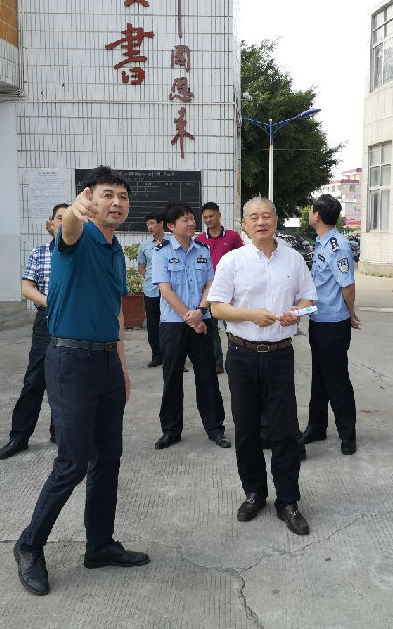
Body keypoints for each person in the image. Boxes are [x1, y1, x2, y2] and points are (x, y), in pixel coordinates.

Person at [13, 166, 148, 596]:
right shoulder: (78, 234)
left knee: (108, 458)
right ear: (89, 197)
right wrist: (74, 211)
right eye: (108, 195)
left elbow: (114, 312)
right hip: (70, 359)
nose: (117, 203)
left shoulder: (115, 248)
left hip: (106, 361)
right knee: (72, 462)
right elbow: (68, 230)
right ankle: (29, 545)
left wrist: (122, 366)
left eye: (123, 197)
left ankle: (100, 545)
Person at [208, 197, 318, 535]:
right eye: (253, 217)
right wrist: (251, 315)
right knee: (246, 428)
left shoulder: (293, 258)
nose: (261, 222)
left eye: (266, 216)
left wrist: (296, 312)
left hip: (280, 354)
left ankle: (288, 500)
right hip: (242, 355)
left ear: (276, 220)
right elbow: (217, 308)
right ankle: (254, 492)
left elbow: (309, 298)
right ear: (244, 225)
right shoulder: (232, 261)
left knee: (285, 430)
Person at [152, 202, 230, 450]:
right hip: (173, 326)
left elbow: (210, 285)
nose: (192, 222)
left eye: (192, 218)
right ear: (171, 226)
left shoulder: (202, 250)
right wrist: (190, 317)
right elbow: (165, 290)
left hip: (202, 321)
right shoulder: (161, 252)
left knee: (207, 376)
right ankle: (171, 430)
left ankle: (215, 428)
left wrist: (201, 312)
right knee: (172, 378)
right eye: (185, 219)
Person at [0, 203, 67, 460]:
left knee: (66, 379)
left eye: (69, 218)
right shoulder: (40, 252)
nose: (64, 223)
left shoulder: (82, 252)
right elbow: (27, 288)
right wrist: (52, 304)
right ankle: (19, 437)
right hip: (46, 320)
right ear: (51, 223)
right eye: (60, 218)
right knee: (35, 379)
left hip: (74, 323)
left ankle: (60, 432)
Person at [300, 194, 360, 456]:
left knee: (336, 379)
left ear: (317, 214)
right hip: (319, 319)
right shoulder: (322, 241)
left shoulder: (338, 246)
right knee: (320, 378)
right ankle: (317, 427)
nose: (309, 213)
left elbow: (348, 286)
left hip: (334, 323)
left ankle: (347, 434)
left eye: (311, 209)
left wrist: (351, 313)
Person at [195, 201, 243, 374]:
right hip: (209, 291)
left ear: (219, 215)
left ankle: (235, 361)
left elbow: (243, 260)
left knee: (233, 327)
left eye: (211, 216)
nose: (208, 220)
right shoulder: (199, 240)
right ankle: (217, 363)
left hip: (230, 290)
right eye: (205, 217)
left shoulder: (233, 237)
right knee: (212, 329)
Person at [137, 212, 169, 368]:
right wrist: (151, 279)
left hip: (169, 291)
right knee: (152, 325)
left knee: (171, 324)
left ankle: (173, 357)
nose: (149, 227)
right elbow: (141, 267)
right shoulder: (144, 246)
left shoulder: (172, 243)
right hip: (151, 291)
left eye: (152, 223)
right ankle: (157, 356)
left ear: (161, 224)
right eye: (147, 224)